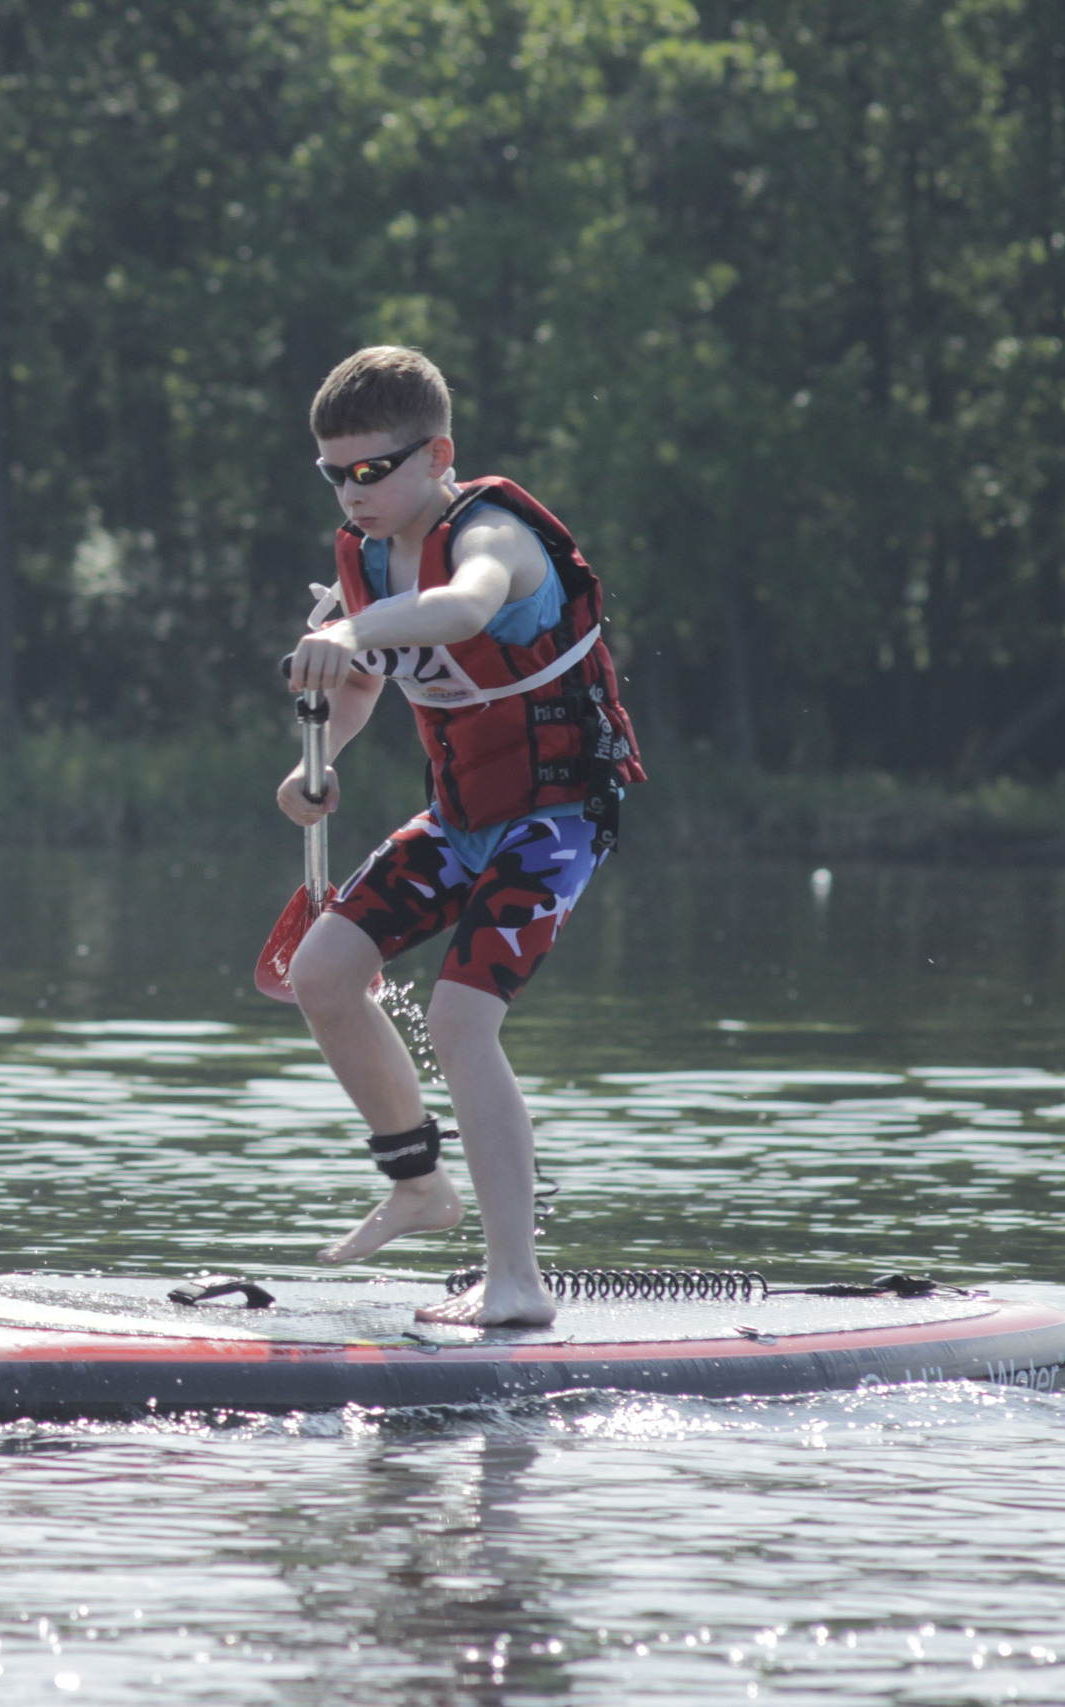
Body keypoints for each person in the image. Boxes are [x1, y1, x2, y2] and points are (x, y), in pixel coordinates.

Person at [277, 346, 644, 1327]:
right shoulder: (363, 559)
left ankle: (517, 1282)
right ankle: (418, 1186)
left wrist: (351, 631)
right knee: (319, 977)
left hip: (554, 823)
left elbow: (464, 608)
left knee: (458, 1023)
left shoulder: (490, 535)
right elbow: (358, 686)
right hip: (457, 823)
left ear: (437, 453)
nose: (352, 494)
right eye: (333, 475)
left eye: (372, 471)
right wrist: (323, 765)